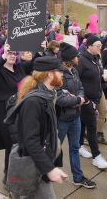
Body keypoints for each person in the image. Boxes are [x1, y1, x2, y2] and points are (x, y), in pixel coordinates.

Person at [15, 56, 68, 197]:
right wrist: (49, 169)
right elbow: (30, 140)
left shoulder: (49, 95)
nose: (63, 74)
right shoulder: (34, 101)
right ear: (50, 74)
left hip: (42, 162)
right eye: (60, 71)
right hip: (35, 165)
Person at [0, 42, 35, 185]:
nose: (13, 56)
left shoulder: (19, 68)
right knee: (11, 144)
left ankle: (14, 172)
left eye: (15, 53)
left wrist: (40, 48)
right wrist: (3, 55)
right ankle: (8, 175)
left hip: (18, 110)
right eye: (10, 53)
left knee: (18, 143)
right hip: (3, 112)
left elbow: (35, 63)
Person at [57, 42, 96, 188]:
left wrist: (79, 98)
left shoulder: (74, 70)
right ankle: (42, 176)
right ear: (69, 58)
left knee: (74, 148)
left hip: (75, 117)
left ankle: (78, 177)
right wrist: (77, 100)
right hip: (62, 119)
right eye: (76, 55)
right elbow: (59, 97)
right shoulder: (58, 73)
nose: (78, 57)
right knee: (54, 149)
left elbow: (80, 87)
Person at [76, 35, 107, 169]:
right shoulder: (81, 60)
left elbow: (96, 76)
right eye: (97, 45)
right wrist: (83, 98)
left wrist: (103, 79)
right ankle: (96, 156)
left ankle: (79, 146)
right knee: (91, 126)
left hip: (96, 95)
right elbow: (76, 80)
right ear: (89, 46)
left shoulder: (97, 58)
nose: (100, 47)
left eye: (101, 45)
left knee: (84, 123)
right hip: (86, 99)